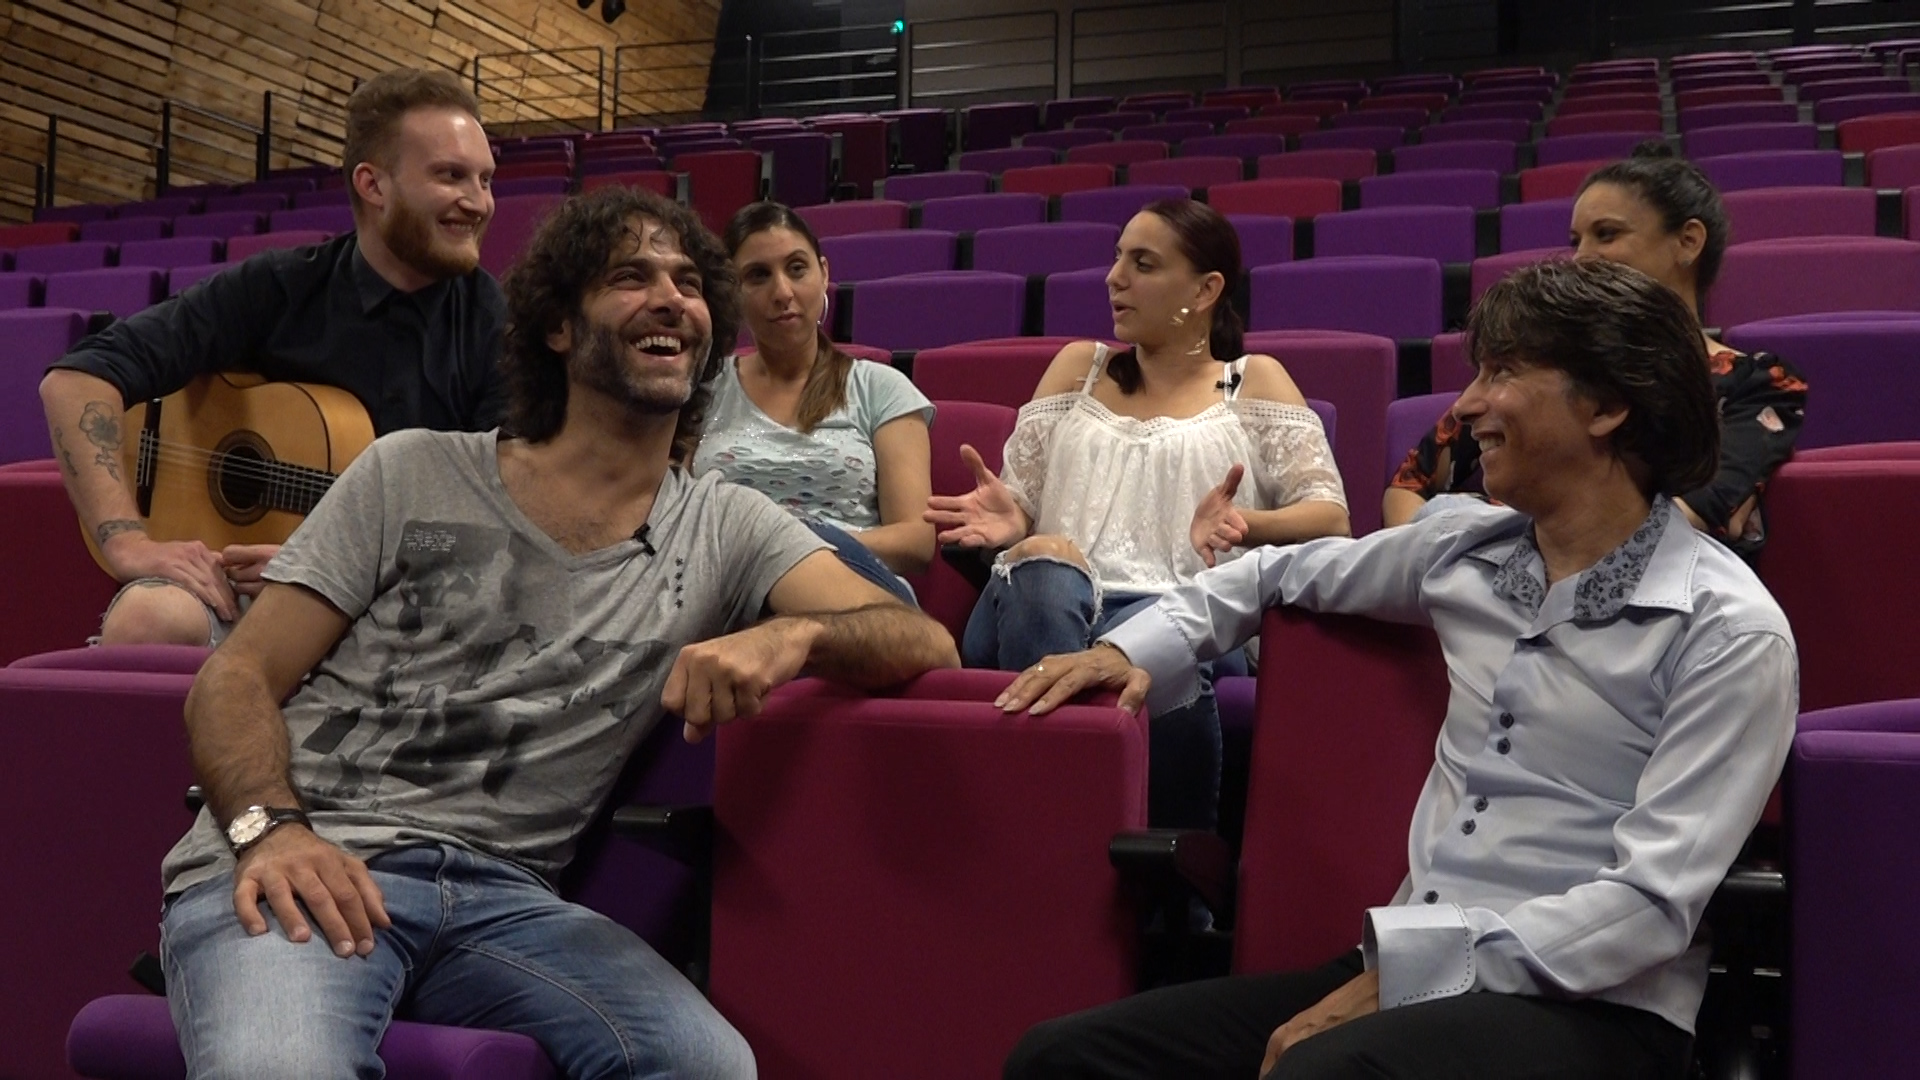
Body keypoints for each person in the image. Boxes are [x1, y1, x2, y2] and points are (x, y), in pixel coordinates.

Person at [156, 186, 959, 1079]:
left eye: (690, 283)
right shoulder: (412, 468)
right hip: (309, 857)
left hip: (505, 901)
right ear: (558, 328)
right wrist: (271, 831)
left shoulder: (728, 526)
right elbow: (235, 678)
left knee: (707, 1065)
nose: (672, 299)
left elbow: (921, 638)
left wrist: (793, 637)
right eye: (631, 277)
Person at [996, 258, 1798, 1080]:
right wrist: (1126, 650)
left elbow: (1649, 907)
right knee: (1064, 1059)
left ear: (1607, 407)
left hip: (1599, 1008)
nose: (1467, 406)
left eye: (1503, 373)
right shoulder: (1462, 548)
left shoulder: (1729, 632)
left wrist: (1414, 972)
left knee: (1326, 1073)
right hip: (1408, 967)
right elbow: (1274, 572)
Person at [41, 67, 508, 647]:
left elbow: (499, 528)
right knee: (146, 620)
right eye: (451, 176)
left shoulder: (501, 329)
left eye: (485, 179)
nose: (479, 202)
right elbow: (74, 382)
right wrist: (126, 541)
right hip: (252, 592)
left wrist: (330, 563)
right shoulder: (279, 287)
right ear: (373, 185)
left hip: (412, 596)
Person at [925, 198, 1349, 831]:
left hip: (1183, 613)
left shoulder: (1251, 381)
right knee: (1047, 562)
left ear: (1206, 290)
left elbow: (1331, 518)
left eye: (1143, 264)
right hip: (1040, 607)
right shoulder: (1080, 367)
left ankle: (1057, 834)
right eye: (1118, 257)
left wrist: (1247, 526)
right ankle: (1084, 837)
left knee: (1164, 638)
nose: (1113, 277)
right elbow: (1022, 503)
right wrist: (1015, 521)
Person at [1385, 142, 1807, 562]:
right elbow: (1411, 483)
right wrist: (1424, 569)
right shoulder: (1541, 365)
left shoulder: (1757, 382)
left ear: (1688, 241)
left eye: (1607, 234)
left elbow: (1696, 512)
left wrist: (1481, 538)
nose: (1581, 257)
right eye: (1576, 240)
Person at [692, 201, 935, 604]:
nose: (782, 292)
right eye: (758, 275)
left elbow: (916, 541)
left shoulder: (881, 388)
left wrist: (790, 548)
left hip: (855, 588)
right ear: (733, 292)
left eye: (796, 268)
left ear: (824, 273)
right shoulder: (703, 392)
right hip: (728, 595)